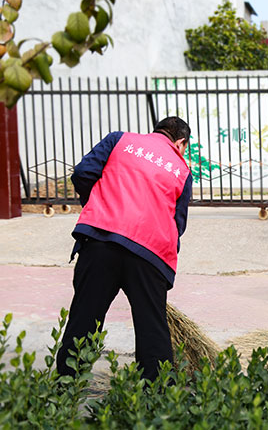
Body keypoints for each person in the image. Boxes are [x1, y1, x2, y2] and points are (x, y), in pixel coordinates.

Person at [57, 117, 193, 381]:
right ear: (181, 142)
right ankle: (157, 398)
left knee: (84, 318)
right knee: (152, 328)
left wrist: (99, 203)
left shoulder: (119, 140)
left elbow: (83, 173)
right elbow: (178, 223)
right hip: (150, 254)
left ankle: (66, 392)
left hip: (101, 241)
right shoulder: (182, 170)